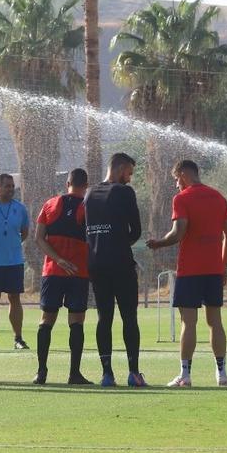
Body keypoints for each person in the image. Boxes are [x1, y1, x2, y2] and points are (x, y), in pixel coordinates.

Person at [147, 160, 227, 387]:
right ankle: (222, 374)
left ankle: (185, 375)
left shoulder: (182, 198)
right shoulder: (218, 197)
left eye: (177, 179)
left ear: (184, 175)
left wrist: (158, 243)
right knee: (215, 322)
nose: (176, 185)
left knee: (189, 323)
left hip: (190, 271)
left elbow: (178, 233)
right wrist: (223, 265)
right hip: (213, 271)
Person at [83, 153, 144, 387]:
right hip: (120, 263)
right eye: (129, 173)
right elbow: (135, 230)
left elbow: (86, 230)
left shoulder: (89, 194)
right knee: (129, 316)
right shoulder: (124, 192)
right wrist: (118, 241)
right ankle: (133, 372)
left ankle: (107, 374)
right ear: (119, 170)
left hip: (96, 264)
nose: (129, 179)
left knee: (103, 317)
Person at [32, 168, 92, 385]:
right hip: (79, 272)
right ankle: (74, 374)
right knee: (76, 321)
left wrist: (58, 259)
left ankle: (41, 372)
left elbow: (38, 238)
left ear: (68, 183)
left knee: (46, 320)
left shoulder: (50, 204)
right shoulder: (88, 207)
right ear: (86, 186)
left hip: (53, 272)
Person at [0, 173, 30, 350]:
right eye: (7, 186)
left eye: (12, 186)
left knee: (14, 298)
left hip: (14, 262)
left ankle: (18, 338)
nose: (10, 189)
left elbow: (24, 232)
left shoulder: (20, 208)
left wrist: (13, 245)